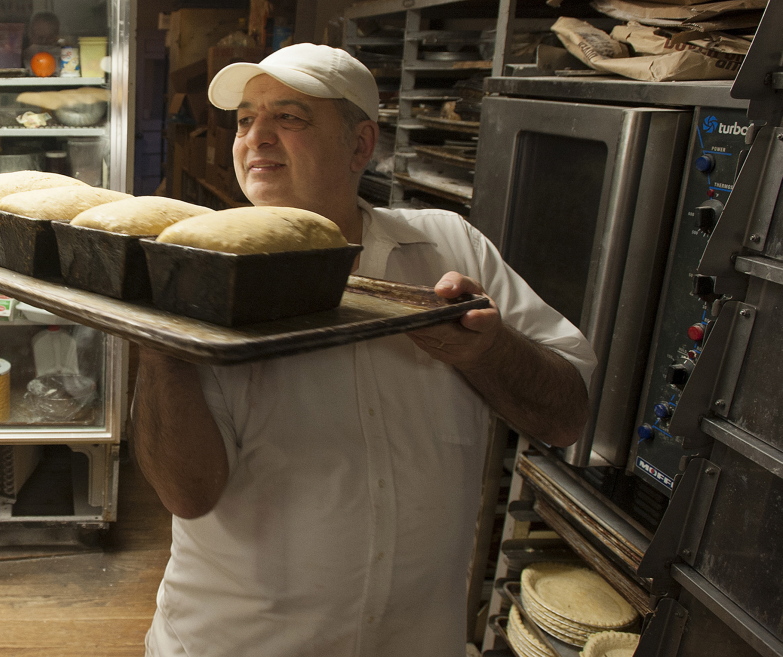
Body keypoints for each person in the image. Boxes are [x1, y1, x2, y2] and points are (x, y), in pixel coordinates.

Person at [132, 43, 597, 656]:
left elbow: (565, 416)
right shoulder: (197, 279)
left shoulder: (448, 249)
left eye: (289, 118)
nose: (256, 138)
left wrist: (484, 352)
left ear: (359, 145)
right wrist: (161, 342)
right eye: (246, 120)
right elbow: (187, 494)